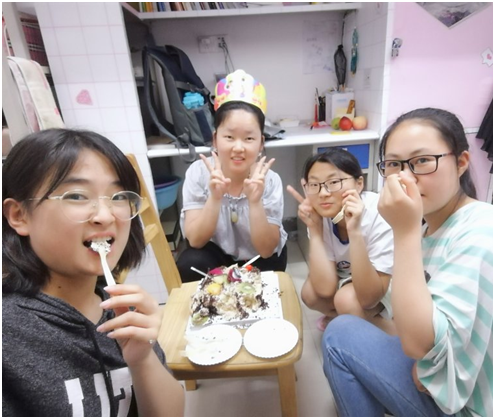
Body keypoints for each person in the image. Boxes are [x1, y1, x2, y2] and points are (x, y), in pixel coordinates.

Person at [322, 108, 493, 416]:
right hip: (462, 376)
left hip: (492, 408)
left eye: (422, 161)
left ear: (461, 163)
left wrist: (404, 232)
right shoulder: (430, 228)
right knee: (348, 319)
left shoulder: (486, 233)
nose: (405, 177)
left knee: (339, 335)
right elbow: (397, 311)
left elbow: (419, 345)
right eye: (394, 165)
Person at [2, 129, 185, 417]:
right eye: (76, 196)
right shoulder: (9, 335)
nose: (105, 215)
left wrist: (143, 360)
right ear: (19, 215)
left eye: (118, 196)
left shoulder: (121, 311)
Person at [177, 69, 288, 282]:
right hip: (215, 255)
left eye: (248, 138)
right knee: (190, 262)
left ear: (261, 143)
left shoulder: (270, 180)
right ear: (215, 139)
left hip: (258, 257)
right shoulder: (198, 173)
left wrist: (255, 201)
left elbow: (266, 250)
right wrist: (215, 197)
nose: (238, 148)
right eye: (229, 137)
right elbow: (196, 241)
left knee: (272, 267)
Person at [287, 148, 394, 331]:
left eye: (334, 182)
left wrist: (354, 231)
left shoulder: (379, 213)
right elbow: (324, 289)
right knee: (310, 294)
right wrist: (315, 229)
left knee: (346, 300)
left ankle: (392, 333)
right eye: (314, 184)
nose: (323, 193)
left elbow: (369, 298)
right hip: (348, 277)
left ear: (359, 184)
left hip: (386, 282)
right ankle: (348, 319)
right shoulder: (320, 214)